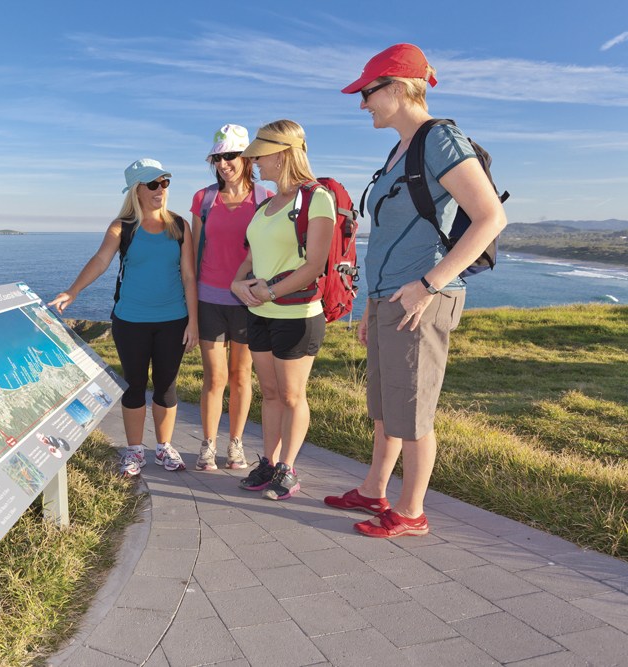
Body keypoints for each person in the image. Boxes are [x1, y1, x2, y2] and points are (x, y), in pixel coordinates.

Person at [327, 44, 507, 537]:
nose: (362, 104)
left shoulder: (440, 140)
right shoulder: (400, 150)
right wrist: (371, 303)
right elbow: (386, 238)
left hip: (421, 298)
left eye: (367, 92)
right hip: (390, 298)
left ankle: (410, 512)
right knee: (386, 407)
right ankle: (373, 490)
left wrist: (429, 285)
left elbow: (492, 217)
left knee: (412, 410)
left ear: (399, 88)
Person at [50, 158, 199, 476]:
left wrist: (194, 322)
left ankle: (163, 448)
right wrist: (73, 291)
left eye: (164, 182)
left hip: (173, 319)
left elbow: (189, 276)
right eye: (153, 184)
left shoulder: (179, 225)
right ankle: (134, 452)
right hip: (130, 320)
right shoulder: (122, 227)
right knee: (134, 385)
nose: (161, 190)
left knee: (166, 386)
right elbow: (101, 260)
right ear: (137, 190)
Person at [230, 120, 336, 501]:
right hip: (261, 312)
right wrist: (237, 283)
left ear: (283, 153)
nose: (255, 161)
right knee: (270, 393)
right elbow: (251, 257)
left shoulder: (317, 198)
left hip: (297, 314)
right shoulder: (266, 204)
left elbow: (315, 265)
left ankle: (289, 469)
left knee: (292, 396)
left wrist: (268, 291)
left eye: (261, 154)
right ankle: (270, 463)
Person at [190, 124, 274, 472]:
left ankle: (235, 445)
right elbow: (194, 254)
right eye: (218, 157)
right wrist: (190, 306)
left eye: (231, 156)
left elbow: (269, 253)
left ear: (248, 158)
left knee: (241, 376)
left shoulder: (265, 198)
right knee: (215, 377)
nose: (223, 163)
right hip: (210, 299)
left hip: (248, 301)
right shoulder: (203, 199)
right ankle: (208, 445)